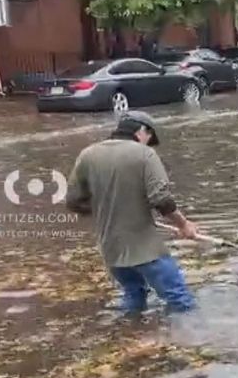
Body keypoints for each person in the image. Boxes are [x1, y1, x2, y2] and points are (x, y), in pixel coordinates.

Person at [65, 112, 199, 314]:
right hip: (145, 250)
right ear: (142, 131)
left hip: (111, 250)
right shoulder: (144, 155)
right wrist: (183, 225)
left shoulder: (88, 155)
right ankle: (188, 342)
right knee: (180, 300)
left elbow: (73, 201)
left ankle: (131, 335)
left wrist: (109, 208)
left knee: (133, 295)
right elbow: (161, 200)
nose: (148, 144)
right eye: (149, 138)